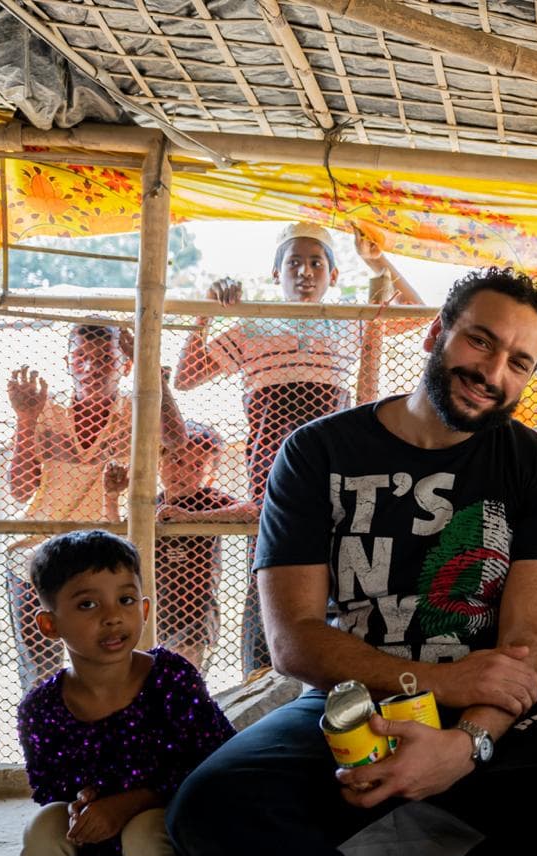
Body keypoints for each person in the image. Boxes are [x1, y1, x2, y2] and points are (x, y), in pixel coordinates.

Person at [166, 268, 537, 856]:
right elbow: (294, 640)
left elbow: (520, 654)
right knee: (211, 810)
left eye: (518, 361)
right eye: (480, 341)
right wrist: (434, 680)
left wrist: (464, 745)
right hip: (356, 699)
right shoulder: (318, 453)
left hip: (493, 712)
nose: (492, 372)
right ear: (437, 333)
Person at [0, 530, 232, 856]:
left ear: (145, 609)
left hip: (180, 828)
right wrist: (84, 803)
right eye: (88, 605)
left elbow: (214, 763)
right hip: (100, 836)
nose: (113, 616)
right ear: (49, 624)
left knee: (142, 830)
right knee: (43, 828)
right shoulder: (41, 707)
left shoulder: (171, 678)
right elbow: (49, 786)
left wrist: (130, 802)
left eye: (126, 599)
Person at [173, 223, 422, 674]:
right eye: (293, 263)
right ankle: (259, 675)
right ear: (275, 273)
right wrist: (206, 310)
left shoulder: (351, 321)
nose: (304, 272)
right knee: (272, 566)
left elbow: (418, 313)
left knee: (340, 567)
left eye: (316, 263)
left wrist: (377, 262)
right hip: (272, 468)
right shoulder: (254, 324)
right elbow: (186, 377)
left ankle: (337, 675)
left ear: (333, 274)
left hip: (336, 468)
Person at [7, 325, 187, 690]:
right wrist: (26, 420)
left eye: (106, 358)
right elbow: (20, 489)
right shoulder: (45, 410)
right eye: (81, 358)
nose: (92, 368)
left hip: (109, 552)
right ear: (67, 362)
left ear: (126, 365)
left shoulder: (139, 410)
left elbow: (176, 439)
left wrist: (151, 369)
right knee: (41, 672)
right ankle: (46, 720)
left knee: (111, 665)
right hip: (38, 551)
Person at [103, 422, 256, 671]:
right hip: (154, 614)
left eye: (196, 467)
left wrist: (192, 518)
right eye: (176, 460)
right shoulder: (151, 503)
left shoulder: (208, 500)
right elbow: (121, 543)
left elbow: (250, 511)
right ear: (159, 463)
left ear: (210, 476)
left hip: (193, 619)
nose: (183, 472)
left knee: (180, 683)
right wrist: (111, 497)